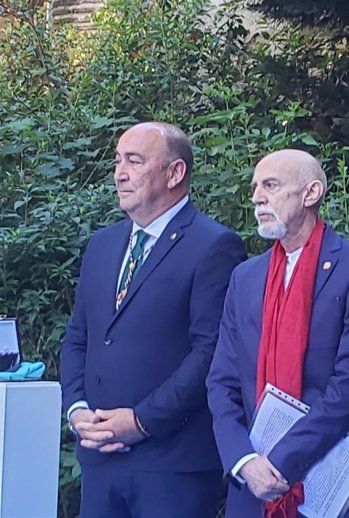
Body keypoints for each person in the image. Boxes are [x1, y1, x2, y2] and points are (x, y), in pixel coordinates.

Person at [60, 122, 246, 518]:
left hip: (172, 465)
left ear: (175, 173)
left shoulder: (214, 245)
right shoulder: (102, 244)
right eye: (117, 161)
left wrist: (142, 420)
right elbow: (79, 336)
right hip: (100, 458)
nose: (119, 173)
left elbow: (211, 351)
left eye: (134, 161)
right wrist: (76, 409)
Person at [206, 149, 349, 518]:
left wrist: (281, 461)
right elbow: (221, 381)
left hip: (326, 479)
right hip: (252, 485)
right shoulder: (246, 277)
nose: (257, 197)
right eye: (255, 187)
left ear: (311, 193)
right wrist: (242, 460)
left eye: (271, 185)